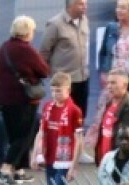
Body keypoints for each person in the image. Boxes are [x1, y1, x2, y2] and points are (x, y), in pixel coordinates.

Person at [0, 16, 51, 184]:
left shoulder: (4, 48)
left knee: (14, 135)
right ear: (27, 31)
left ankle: (18, 170)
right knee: (24, 135)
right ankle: (5, 169)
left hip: (5, 98)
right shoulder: (26, 50)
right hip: (24, 99)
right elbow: (44, 70)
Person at [31, 72, 84, 185]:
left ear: (68, 90)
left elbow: (79, 140)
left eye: (59, 91)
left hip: (64, 160)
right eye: (53, 91)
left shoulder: (74, 111)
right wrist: (34, 154)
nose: (55, 94)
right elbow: (41, 132)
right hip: (49, 156)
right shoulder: (48, 107)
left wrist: (74, 166)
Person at [39, 1, 91, 129]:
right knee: (63, 118)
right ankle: (61, 146)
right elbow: (44, 51)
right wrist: (53, 76)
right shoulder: (55, 24)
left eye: (85, 3)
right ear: (70, 6)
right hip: (64, 81)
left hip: (83, 77)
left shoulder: (84, 20)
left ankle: (77, 147)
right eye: (80, 4)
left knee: (79, 116)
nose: (85, 6)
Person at [88, 69, 129, 165]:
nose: (109, 86)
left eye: (114, 83)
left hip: (121, 165)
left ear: (124, 85)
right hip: (105, 163)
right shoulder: (108, 105)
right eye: (108, 83)